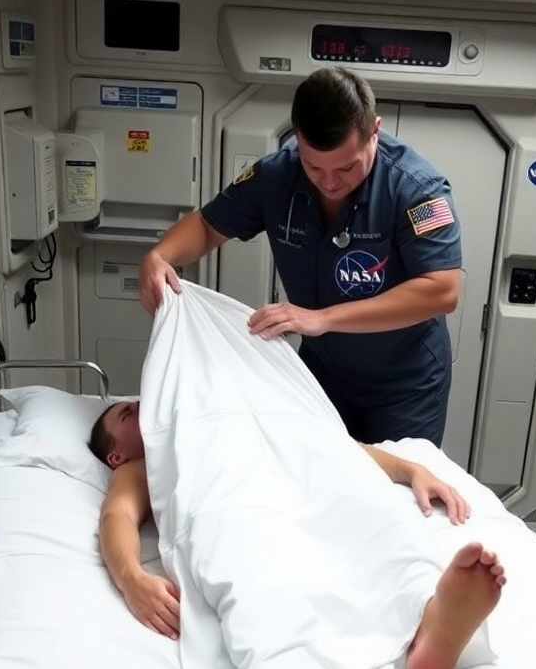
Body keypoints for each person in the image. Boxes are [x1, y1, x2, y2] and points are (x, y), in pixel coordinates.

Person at [88, 399, 506, 669]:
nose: (143, 405)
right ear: (116, 454)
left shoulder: (228, 411)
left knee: (375, 517)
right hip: (231, 504)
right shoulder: (145, 464)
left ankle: (430, 615)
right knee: (256, 570)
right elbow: (117, 515)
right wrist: (131, 577)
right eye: (127, 413)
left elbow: (331, 446)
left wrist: (411, 470)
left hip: (306, 485)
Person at [137, 66, 462, 447]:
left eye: (347, 166)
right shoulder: (277, 176)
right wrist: (160, 255)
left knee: (397, 480)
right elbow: (208, 226)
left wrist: (322, 318)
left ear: (374, 131)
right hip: (323, 373)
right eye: (313, 166)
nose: (329, 182)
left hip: (405, 382)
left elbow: (442, 291)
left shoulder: (417, 190)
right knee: (312, 470)